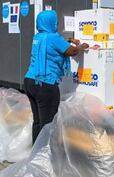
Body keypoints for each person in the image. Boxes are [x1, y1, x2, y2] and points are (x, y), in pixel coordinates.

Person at [24, 10, 88, 144]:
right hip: (45, 84)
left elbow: (54, 41)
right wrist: (80, 46)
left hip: (30, 81)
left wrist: (69, 39)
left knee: (38, 121)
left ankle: (35, 152)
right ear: (51, 23)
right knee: (48, 125)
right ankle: (45, 156)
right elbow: (72, 51)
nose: (57, 24)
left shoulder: (38, 37)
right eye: (55, 22)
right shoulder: (54, 38)